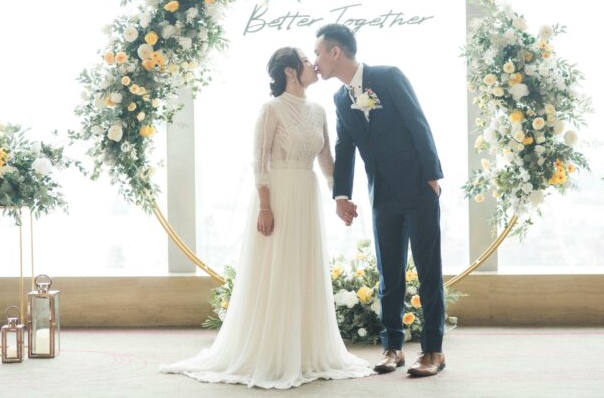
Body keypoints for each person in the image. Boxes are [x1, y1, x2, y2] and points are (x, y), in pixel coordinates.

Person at [161, 47, 372, 389]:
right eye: (307, 61)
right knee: (277, 267)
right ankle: (273, 351)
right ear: (290, 70)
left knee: (303, 266)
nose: (314, 65)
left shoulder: (318, 110)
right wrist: (264, 206)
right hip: (278, 196)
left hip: (306, 193)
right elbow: (259, 162)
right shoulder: (271, 110)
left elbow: (326, 161)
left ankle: (305, 351)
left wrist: (340, 198)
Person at [313, 24, 446, 377]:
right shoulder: (340, 99)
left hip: (419, 188)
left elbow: (418, 123)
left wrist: (432, 176)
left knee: (428, 270)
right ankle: (393, 348)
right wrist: (341, 195)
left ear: (335, 52)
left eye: (318, 53)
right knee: (389, 273)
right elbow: (344, 148)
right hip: (382, 196)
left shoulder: (388, 77)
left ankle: (433, 351)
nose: (315, 61)